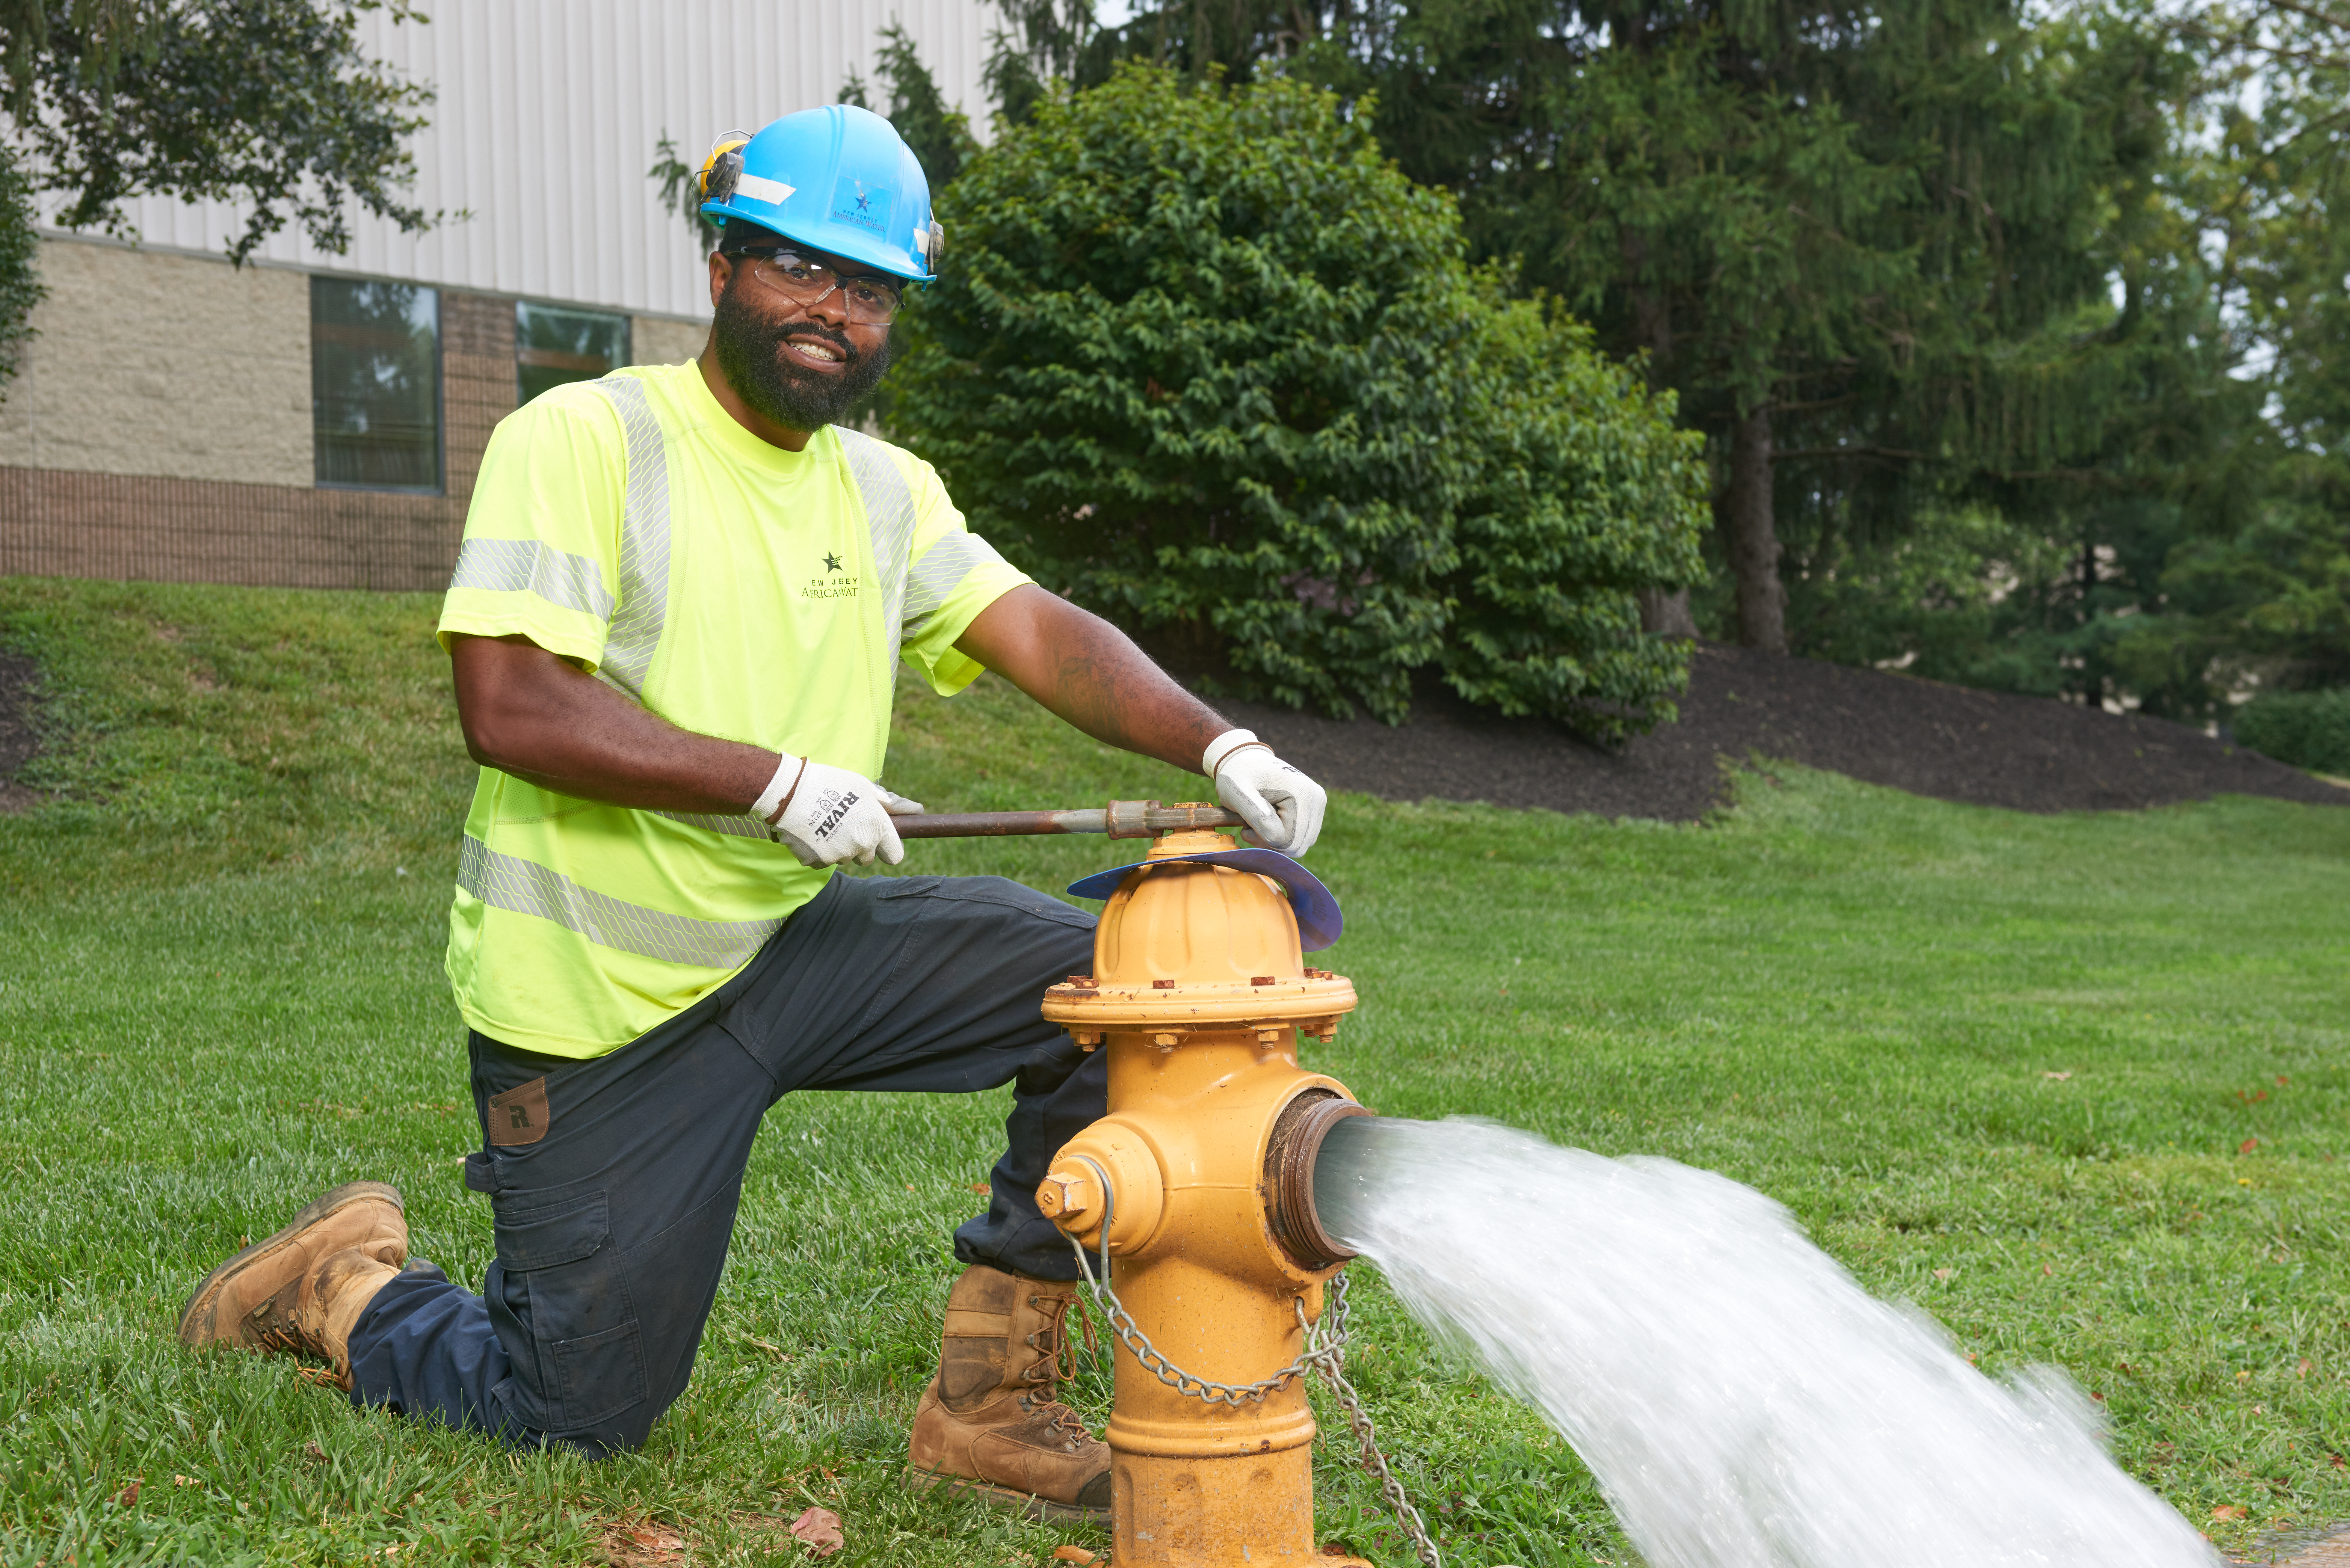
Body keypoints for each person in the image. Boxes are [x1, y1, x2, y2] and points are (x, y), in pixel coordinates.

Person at [173, 106, 1326, 1522]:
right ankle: (345, 1285)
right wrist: (769, 781)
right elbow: (514, 706)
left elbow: (1035, 628)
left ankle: (989, 1404)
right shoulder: (588, 438)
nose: (833, 315)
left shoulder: (885, 490)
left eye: (869, 290)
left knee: (1119, 994)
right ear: (720, 263)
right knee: (573, 1416)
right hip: (603, 1010)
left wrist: (1221, 743)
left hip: (794, 946)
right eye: (798, 270)